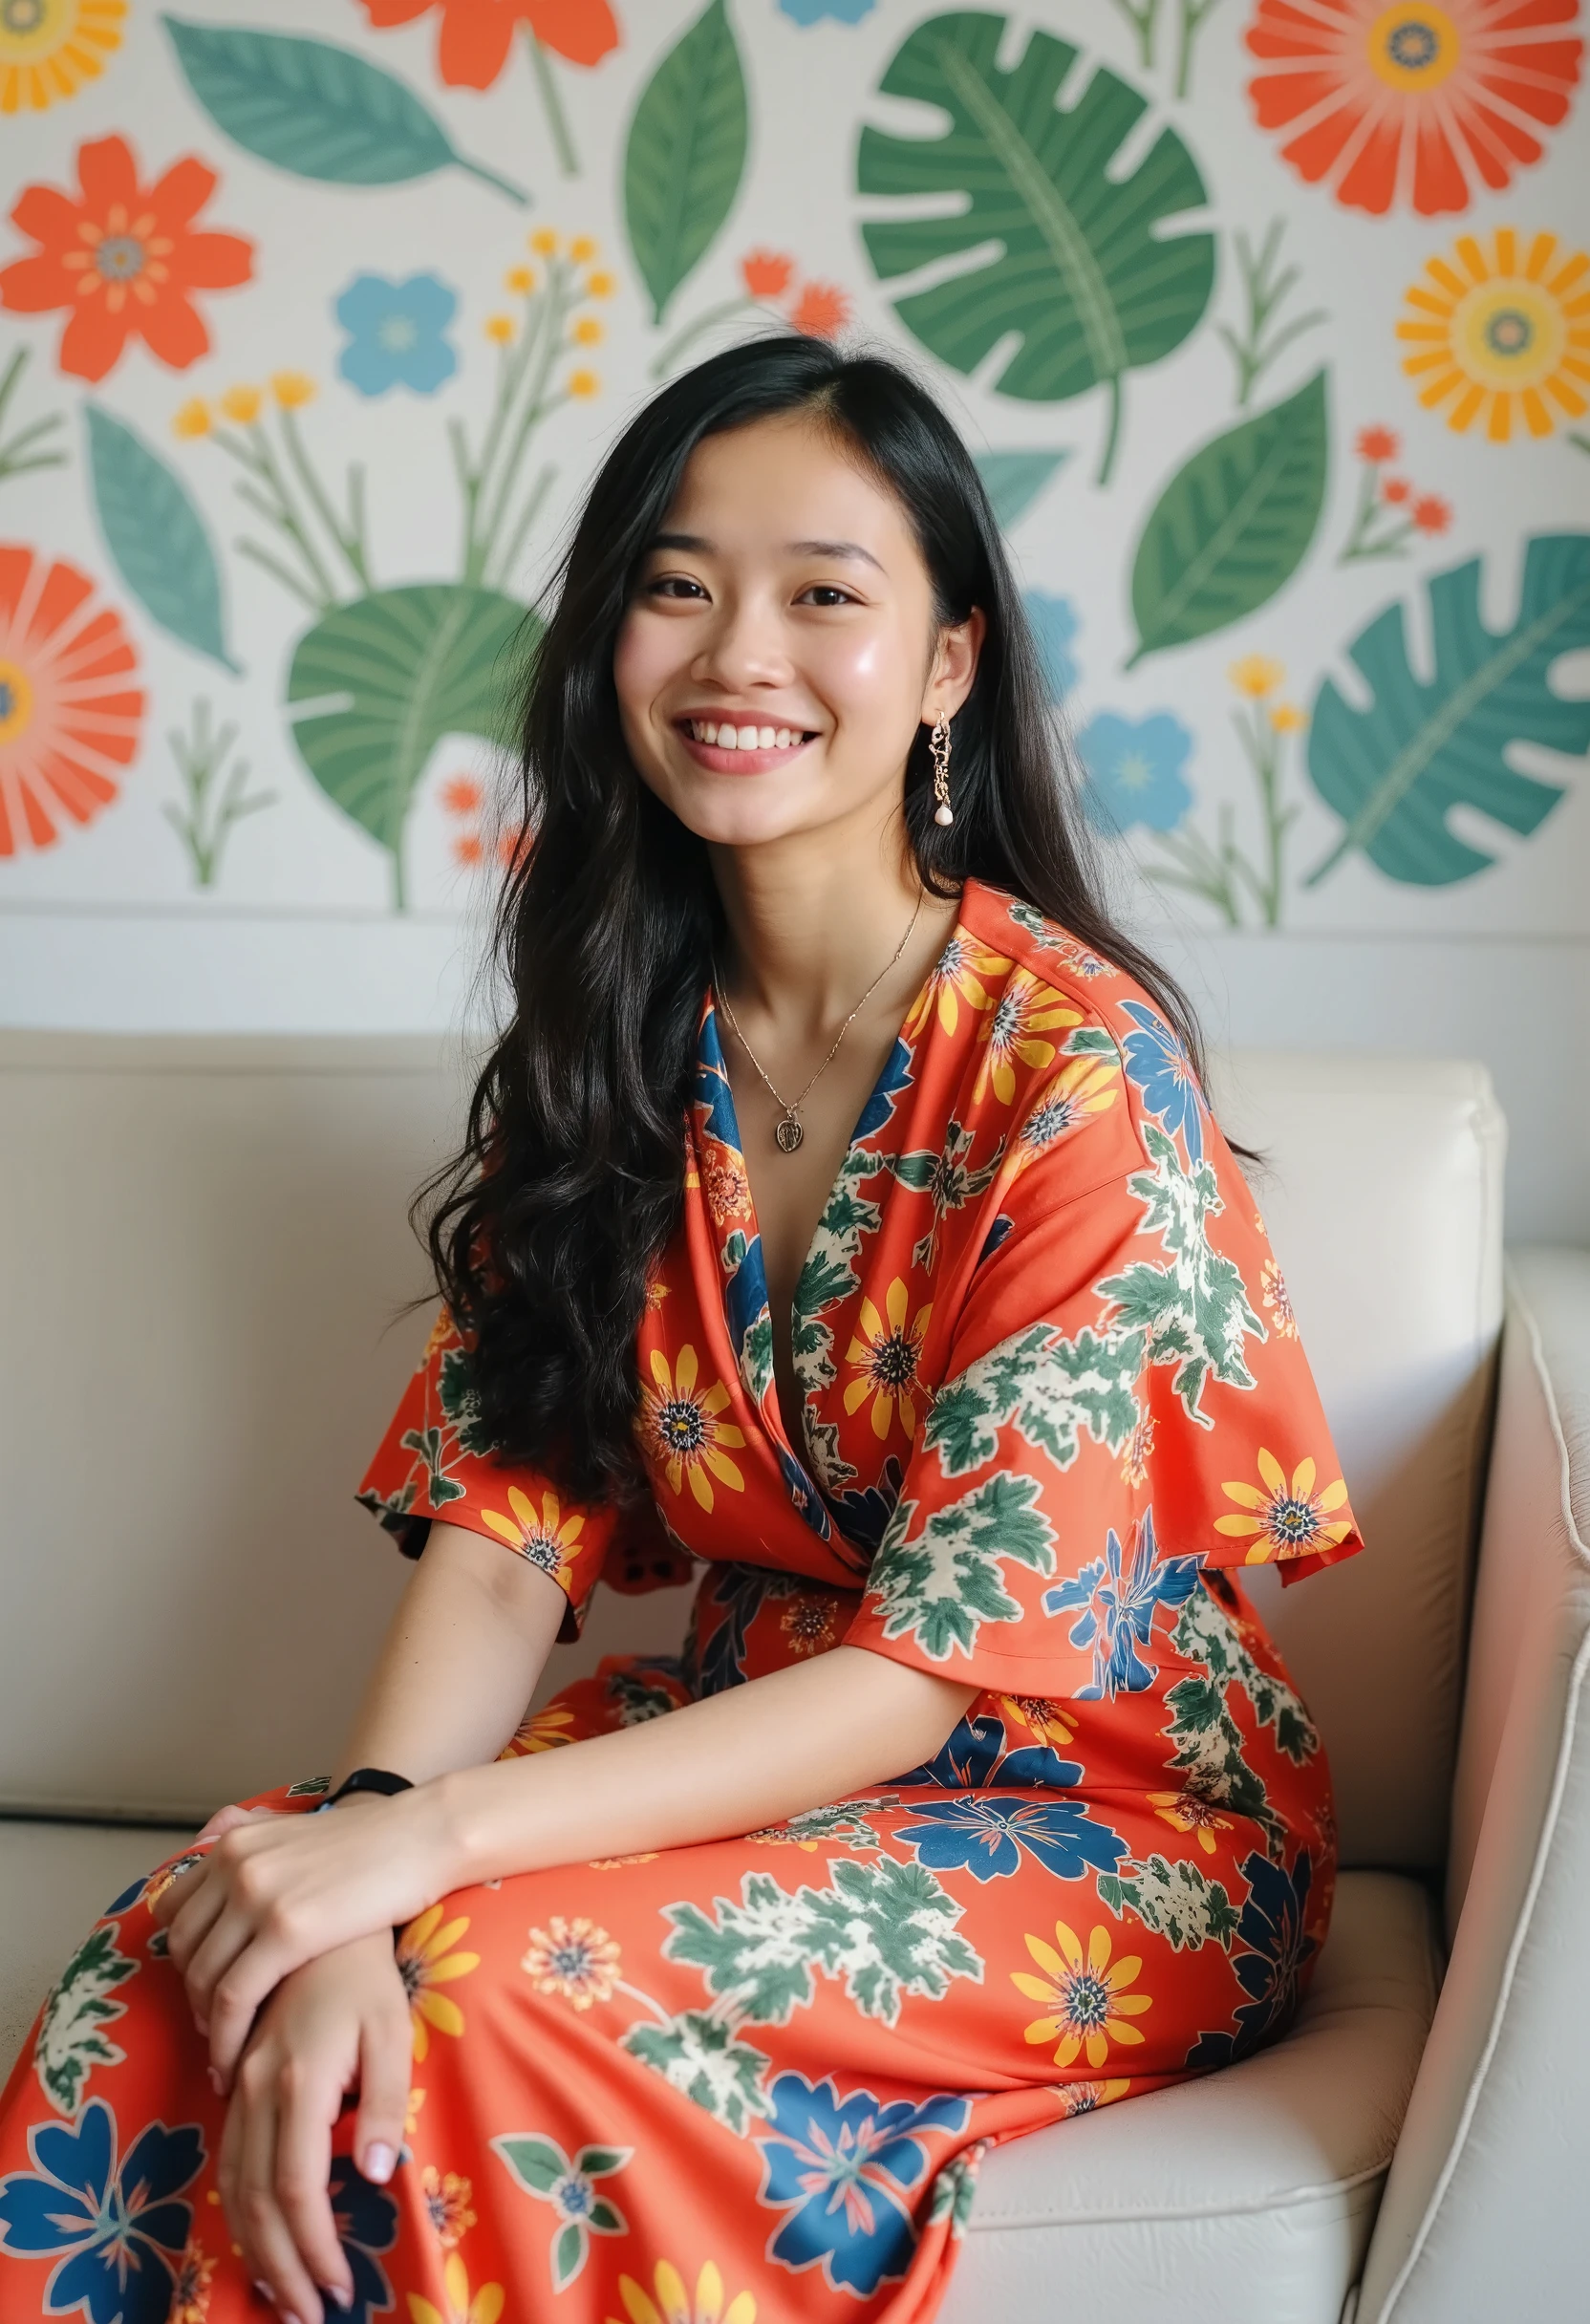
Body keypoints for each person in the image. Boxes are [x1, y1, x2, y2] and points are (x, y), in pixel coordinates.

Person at [0, 336, 1363, 2324]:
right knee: (191, 1948)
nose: (738, 651)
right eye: (674, 582)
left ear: (949, 665)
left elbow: (924, 1679)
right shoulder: (615, 1043)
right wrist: (365, 1855)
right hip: (740, 1772)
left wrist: (429, 1862)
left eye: (823, 591)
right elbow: (503, 1535)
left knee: (474, 1987)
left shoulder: (1076, 1073)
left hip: (1099, 1826)